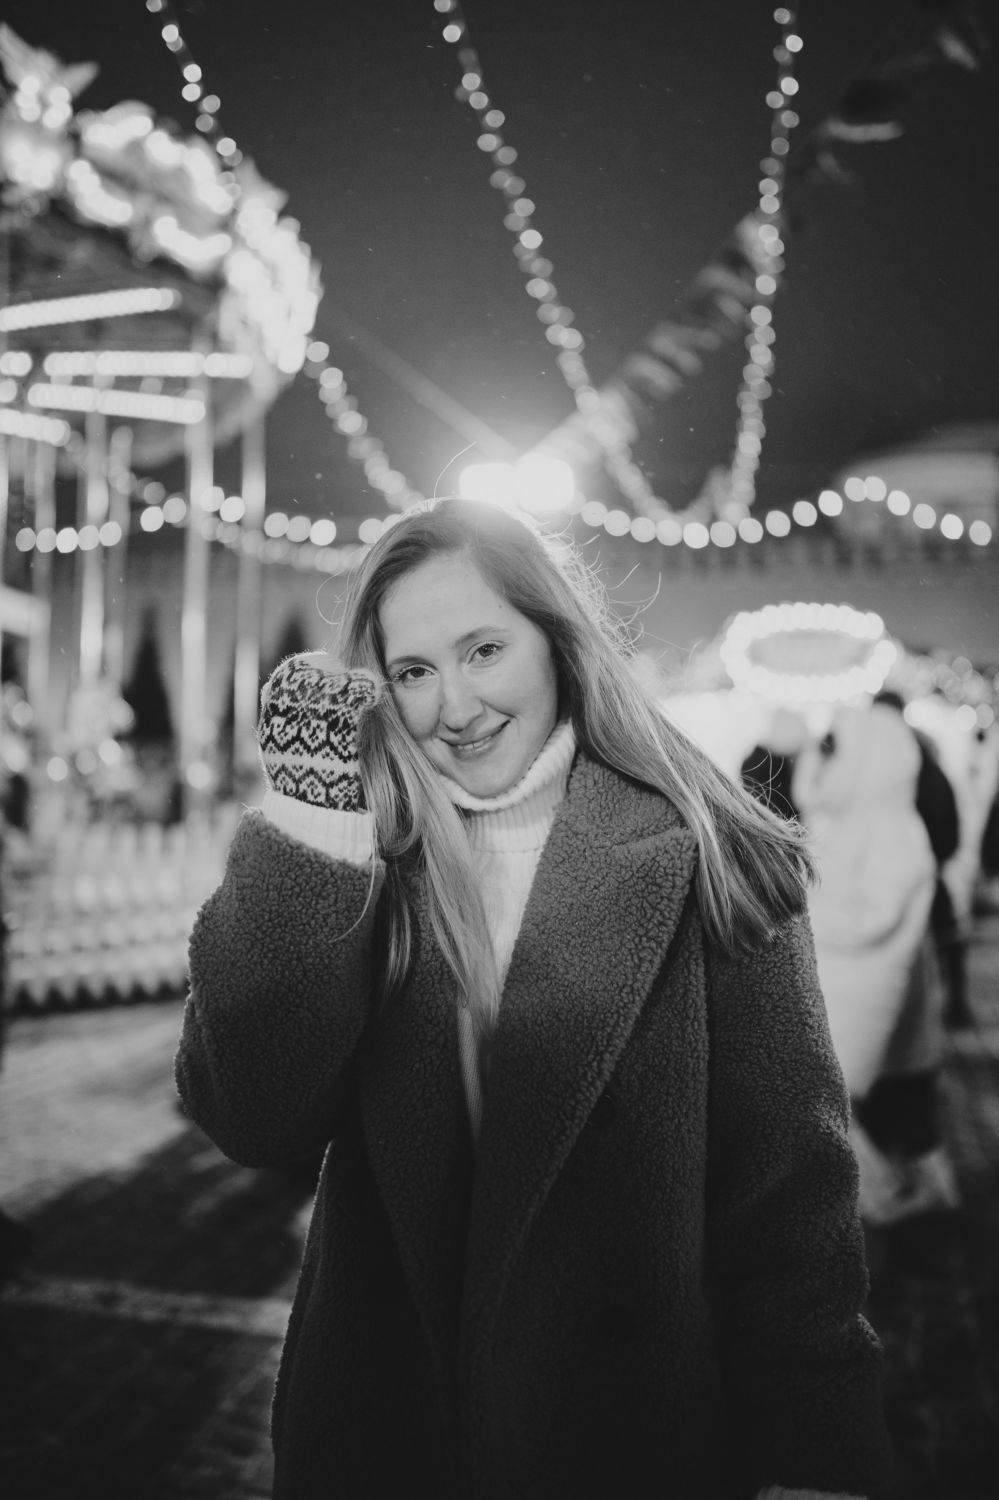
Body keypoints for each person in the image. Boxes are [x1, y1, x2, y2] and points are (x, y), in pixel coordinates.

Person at [177, 497, 892, 1500]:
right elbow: (252, 1117)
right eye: (413, 671)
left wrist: (814, 1454)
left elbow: (788, 1194)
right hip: (388, 1429)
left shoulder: (709, 854)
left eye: (483, 650)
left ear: (556, 640)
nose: (455, 707)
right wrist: (310, 823)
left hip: (626, 1438)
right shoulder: (366, 861)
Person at [792, 702, 958, 1226]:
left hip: (865, 995)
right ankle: (904, 1194)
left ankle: (888, 1200)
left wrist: (802, 912)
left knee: (841, 1101)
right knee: (875, 1102)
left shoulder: (890, 829)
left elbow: (873, 917)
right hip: (852, 991)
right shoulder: (850, 818)